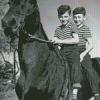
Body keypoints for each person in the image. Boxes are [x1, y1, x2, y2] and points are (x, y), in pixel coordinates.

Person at [51, 5, 82, 100]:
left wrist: (60, 41)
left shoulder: (72, 26)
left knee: (75, 65)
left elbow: (76, 40)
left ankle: (74, 94)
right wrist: (54, 41)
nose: (63, 19)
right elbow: (57, 41)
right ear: (58, 17)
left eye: (65, 16)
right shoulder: (57, 29)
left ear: (69, 16)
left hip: (72, 50)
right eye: (61, 16)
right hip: (62, 51)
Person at [73, 7, 100, 100]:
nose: (77, 19)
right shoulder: (70, 28)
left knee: (89, 70)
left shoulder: (85, 28)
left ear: (84, 18)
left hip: (81, 51)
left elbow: (91, 45)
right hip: (70, 51)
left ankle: (96, 93)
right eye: (75, 17)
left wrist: (82, 54)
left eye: (79, 17)